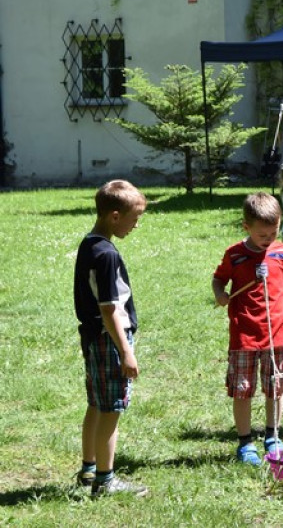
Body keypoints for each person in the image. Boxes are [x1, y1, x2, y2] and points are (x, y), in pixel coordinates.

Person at [212, 193, 283, 465]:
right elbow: (218, 279)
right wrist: (220, 294)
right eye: (263, 235)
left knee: (275, 387)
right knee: (242, 389)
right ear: (246, 227)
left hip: (277, 333)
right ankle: (245, 441)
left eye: (273, 232)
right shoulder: (235, 254)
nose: (268, 239)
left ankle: (273, 435)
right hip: (245, 333)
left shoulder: (281, 251)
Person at [74, 179, 148, 497]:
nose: (136, 225)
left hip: (94, 338)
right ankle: (105, 480)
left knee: (96, 404)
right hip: (109, 339)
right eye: (134, 218)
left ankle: (89, 468)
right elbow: (109, 310)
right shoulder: (106, 255)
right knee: (111, 409)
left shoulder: (90, 243)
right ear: (115, 216)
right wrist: (126, 352)